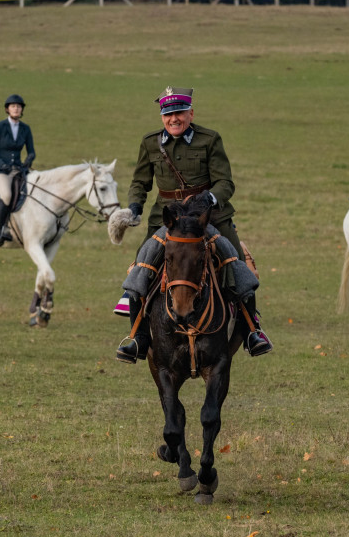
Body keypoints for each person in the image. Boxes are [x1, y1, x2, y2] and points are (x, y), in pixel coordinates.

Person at [115, 86, 272, 363]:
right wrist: (135, 207)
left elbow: (226, 182)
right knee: (142, 267)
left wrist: (210, 198)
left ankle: (251, 331)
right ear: (162, 117)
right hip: (168, 218)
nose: (173, 119)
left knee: (236, 265)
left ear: (190, 113)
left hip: (206, 217)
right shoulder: (151, 142)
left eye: (178, 113)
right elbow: (140, 182)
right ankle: (137, 337)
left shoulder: (209, 140)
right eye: (168, 114)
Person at [0, 94, 35, 246]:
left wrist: (28, 161)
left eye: (19, 107)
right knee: (6, 196)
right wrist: (1, 164)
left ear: (21, 110)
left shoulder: (25, 129)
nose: (16, 109)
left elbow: (31, 151)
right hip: (1, 172)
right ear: (7, 109)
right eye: (13, 106)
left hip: (18, 170)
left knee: (32, 193)